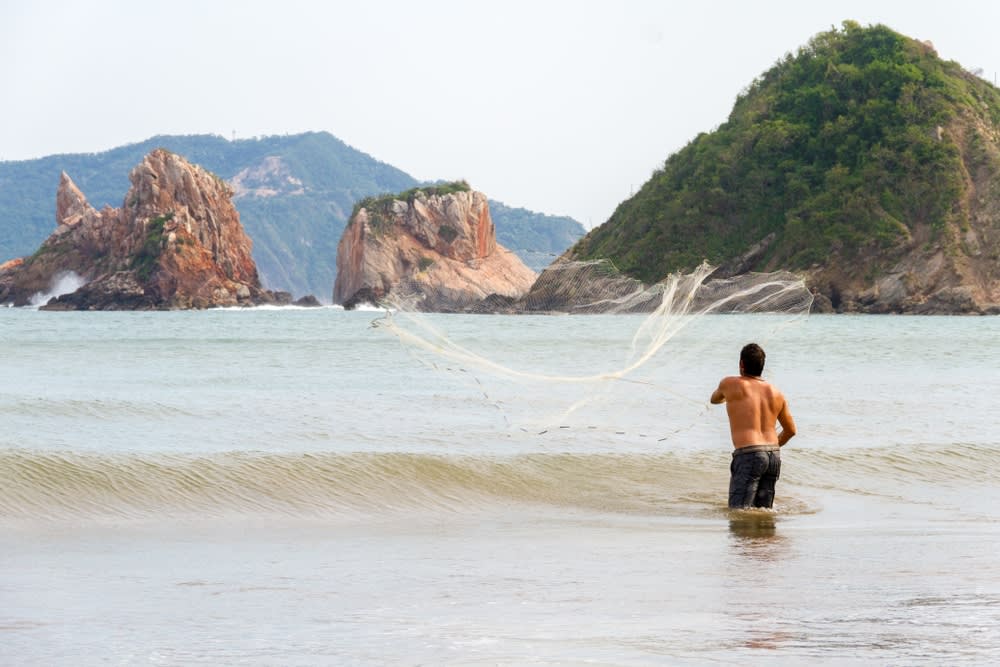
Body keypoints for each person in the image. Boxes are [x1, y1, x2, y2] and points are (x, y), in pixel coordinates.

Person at [710, 343, 796, 509]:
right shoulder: (776, 392)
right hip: (773, 456)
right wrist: (769, 449)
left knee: (739, 512)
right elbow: (791, 430)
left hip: (748, 455)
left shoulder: (730, 384)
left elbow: (714, 399)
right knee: (764, 513)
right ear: (762, 366)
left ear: (741, 364)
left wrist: (729, 397)